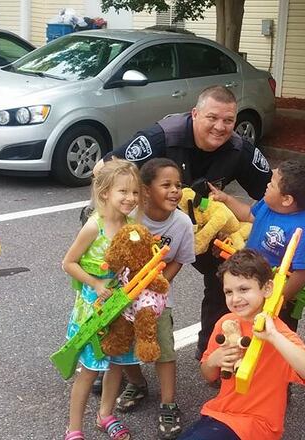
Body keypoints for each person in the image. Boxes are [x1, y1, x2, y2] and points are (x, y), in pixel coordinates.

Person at [94, 85, 272, 359]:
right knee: (115, 281)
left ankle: (213, 352)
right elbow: (103, 168)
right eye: (212, 117)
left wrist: (242, 227)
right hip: (147, 223)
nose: (220, 127)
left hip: (201, 226)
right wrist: (119, 215)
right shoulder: (161, 137)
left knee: (230, 275)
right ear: (195, 114)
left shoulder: (239, 149)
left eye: (228, 120)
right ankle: (108, 357)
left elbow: (272, 195)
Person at [178, 249, 305, 440]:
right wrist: (213, 360)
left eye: (244, 289)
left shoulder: (278, 332)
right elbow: (209, 375)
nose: (235, 298)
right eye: (229, 292)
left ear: (267, 288)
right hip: (220, 413)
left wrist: (274, 337)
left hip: (258, 424)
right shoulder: (225, 323)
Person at [61, 159, 142, 440]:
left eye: (135, 192)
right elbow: (68, 263)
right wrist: (95, 283)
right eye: (123, 191)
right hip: (93, 311)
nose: (131, 198)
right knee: (88, 371)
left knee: (117, 363)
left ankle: (105, 414)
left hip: (121, 308)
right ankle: (74, 428)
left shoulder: (132, 226)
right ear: (105, 192)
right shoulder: (93, 226)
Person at [116, 158, 195, 439]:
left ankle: (168, 403)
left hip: (157, 297)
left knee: (164, 348)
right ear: (147, 190)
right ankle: (137, 383)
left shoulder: (182, 223)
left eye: (178, 185)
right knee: (122, 343)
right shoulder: (130, 215)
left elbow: (180, 259)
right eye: (166, 185)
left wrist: (157, 286)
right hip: (122, 292)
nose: (175, 191)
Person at [208, 159, 305, 331]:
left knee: (271, 335)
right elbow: (249, 215)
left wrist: (279, 297)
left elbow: (304, 271)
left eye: (272, 184)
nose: (267, 185)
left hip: (272, 296)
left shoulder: (302, 232)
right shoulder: (268, 204)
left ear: (286, 199)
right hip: (249, 283)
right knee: (244, 329)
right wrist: (226, 199)